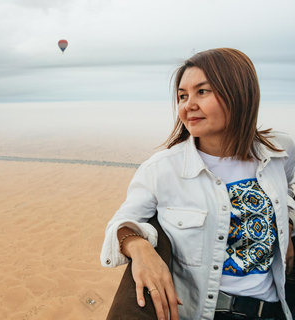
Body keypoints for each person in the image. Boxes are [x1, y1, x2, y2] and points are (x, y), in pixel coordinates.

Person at [101, 48, 295, 320]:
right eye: (182, 95)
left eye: (202, 92)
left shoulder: (279, 151)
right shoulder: (162, 169)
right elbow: (119, 224)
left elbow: (289, 186)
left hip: (276, 310)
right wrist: (139, 247)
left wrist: (287, 219)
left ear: (239, 93)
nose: (188, 105)